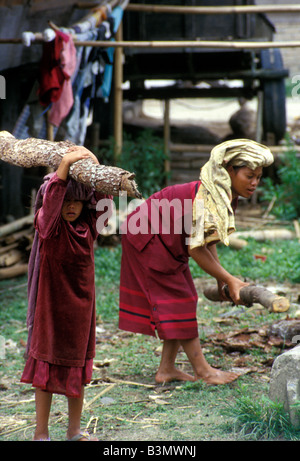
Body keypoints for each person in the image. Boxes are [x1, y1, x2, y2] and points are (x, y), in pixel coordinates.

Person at [118, 139, 274, 385]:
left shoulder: (223, 194)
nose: (255, 183)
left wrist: (221, 279)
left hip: (165, 238)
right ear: (229, 171)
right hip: (148, 235)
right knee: (179, 298)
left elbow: (208, 238)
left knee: (183, 297)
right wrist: (231, 280)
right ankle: (203, 371)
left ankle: (167, 369)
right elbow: (197, 249)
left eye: (258, 177)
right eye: (249, 176)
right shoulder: (209, 197)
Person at [21, 146, 112, 441]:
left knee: (77, 369)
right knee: (44, 372)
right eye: (65, 200)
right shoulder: (49, 227)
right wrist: (66, 165)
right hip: (51, 308)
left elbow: (105, 208)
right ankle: (41, 432)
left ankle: (74, 431)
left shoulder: (88, 227)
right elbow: (51, 203)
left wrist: (94, 167)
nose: (71, 206)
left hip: (81, 308)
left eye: (77, 200)